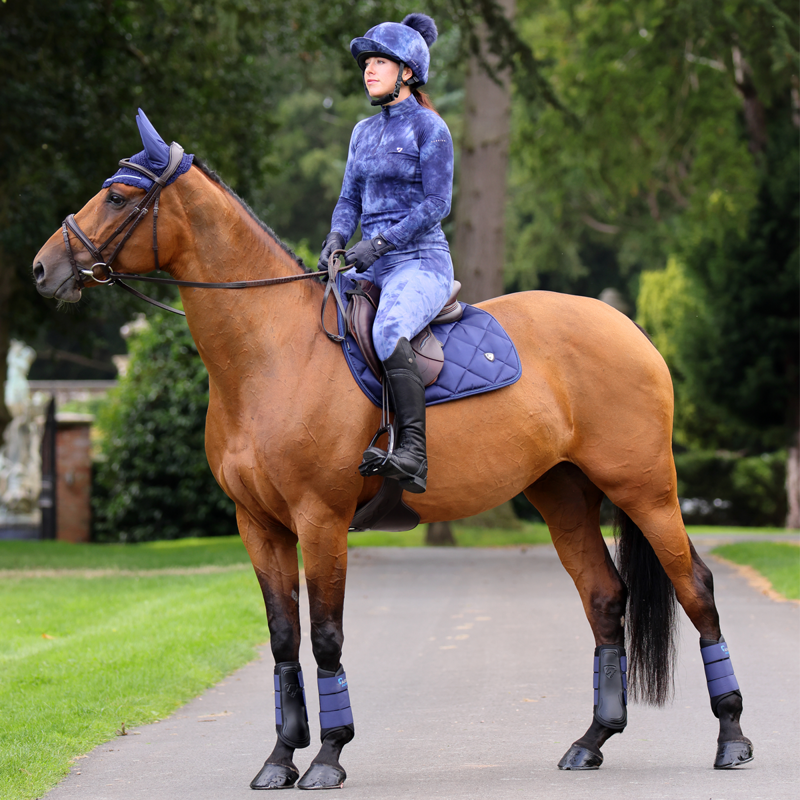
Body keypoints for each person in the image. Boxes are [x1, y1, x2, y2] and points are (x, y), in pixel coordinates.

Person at [318, 13, 454, 495]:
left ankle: (413, 452)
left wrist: (377, 244)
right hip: (367, 263)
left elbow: (437, 205)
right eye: (367, 63)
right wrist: (336, 239)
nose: (368, 71)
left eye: (380, 62)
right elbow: (349, 200)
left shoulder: (430, 129)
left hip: (420, 262)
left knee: (389, 326)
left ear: (408, 72)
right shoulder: (362, 132)